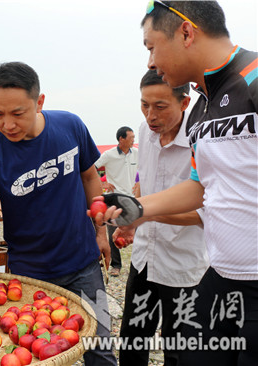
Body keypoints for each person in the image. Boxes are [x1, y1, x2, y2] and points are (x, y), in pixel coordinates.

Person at [96, 2, 257, 365]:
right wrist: (136, 209)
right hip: (220, 277)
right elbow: (201, 187)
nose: (150, 62)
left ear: (186, 32)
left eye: (151, 47)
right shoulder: (201, 108)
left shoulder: (254, 76)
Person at [0, 62, 117, 366]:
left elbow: (90, 177)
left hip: (84, 266)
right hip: (29, 278)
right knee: (37, 355)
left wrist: (100, 230)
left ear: (39, 102)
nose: (8, 124)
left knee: (101, 346)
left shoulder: (70, 126)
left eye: (18, 113)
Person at [118, 69, 209, 366]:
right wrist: (136, 222)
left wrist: (143, 214)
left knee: (179, 347)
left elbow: (202, 214)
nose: (150, 115)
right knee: (132, 338)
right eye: (144, 105)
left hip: (183, 262)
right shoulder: (145, 133)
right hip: (144, 256)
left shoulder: (201, 141)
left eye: (160, 107)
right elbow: (147, 175)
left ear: (184, 103)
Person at [94, 126, 138, 276]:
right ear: (121, 139)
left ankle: (138, 266)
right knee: (114, 232)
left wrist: (140, 182)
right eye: (131, 137)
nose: (134, 140)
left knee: (137, 231)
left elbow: (145, 169)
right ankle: (116, 265)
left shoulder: (137, 154)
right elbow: (92, 168)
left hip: (132, 198)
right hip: (115, 198)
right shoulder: (109, 155)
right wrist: (102, 183)